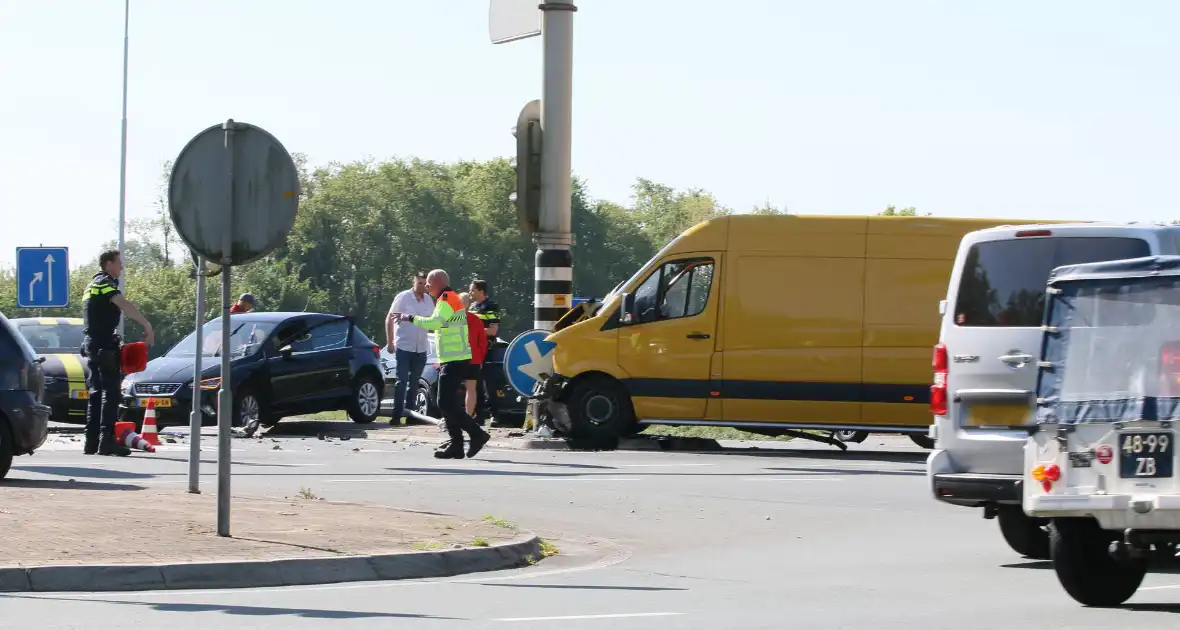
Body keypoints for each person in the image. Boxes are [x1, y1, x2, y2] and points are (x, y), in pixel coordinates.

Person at [395, 269, 491, 459]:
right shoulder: (448, 298)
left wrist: (410, 317)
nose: (427, 286)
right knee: (447, 403)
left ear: (437, 282)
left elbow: (434, 323)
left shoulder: (446, 298)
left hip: (455, 359)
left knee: (444, 402)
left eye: (429, 282)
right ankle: (457, 445)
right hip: (454, 358)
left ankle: (476, 434)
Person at [82, 250, 154, 456]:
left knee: (96, 393)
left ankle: (91, 441)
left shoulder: (91, 285)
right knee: (111, 393)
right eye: (118, 263)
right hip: (104, 345)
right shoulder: (105, 283)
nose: (121, 267)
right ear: (108, 264)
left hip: (92, 344)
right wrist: (146, 324)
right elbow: (124, 305)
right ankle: (106, 441)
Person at [386, 270, 435, 424]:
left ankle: (410, 415)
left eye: (424, 283)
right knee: (402, 381)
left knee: (414, 382)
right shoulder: (404, 297)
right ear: (414, 282)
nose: (421, 286)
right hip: (403, 346)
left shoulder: (429, 300)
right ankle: (396, 415)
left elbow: (433, 322)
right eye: (418, 283)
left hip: (421, 348)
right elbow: (389, 318)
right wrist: (390, 341)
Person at [468, 279, 501, 421]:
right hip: (473, 349)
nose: (470, 293)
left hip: (487, 349)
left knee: (489, 382)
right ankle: (479, 414)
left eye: (473, 290)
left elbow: (493, 331)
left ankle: (495, 415)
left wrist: (476, 331)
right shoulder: (472, 307)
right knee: (475, 382)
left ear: (481, 291)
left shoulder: (491, 306)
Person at [459, 292, 489, 419]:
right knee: (471, 389)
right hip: (474, 359)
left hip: (456, 359)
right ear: (468, 304)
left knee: (451, 389)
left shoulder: (451, 319)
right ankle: (468, 416)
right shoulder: (476, 320)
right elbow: (482, 342)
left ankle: (452, 416)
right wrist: (480, 359)